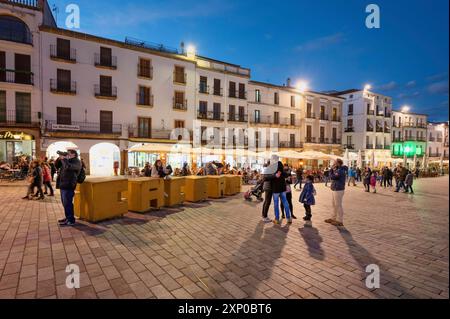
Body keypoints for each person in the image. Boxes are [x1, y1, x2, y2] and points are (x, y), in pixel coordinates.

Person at [57, 150, 81, 226]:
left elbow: (68, 167)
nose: (67, 154)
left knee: (68, 203)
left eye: (68, 153)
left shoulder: (76, 161)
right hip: (63, 184)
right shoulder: (67, 160)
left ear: (74, 154)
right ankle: (68, 217)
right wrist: (60, 158)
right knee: (65, 203)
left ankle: (71, 220)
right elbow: (56, 165)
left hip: (69, 185)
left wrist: (64, 159)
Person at [270, 155, 292, 225]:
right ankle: (289, 218)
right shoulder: (281, 166)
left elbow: (270, 177)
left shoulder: (272, 167)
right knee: (285, 202)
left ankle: (277, 219)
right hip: (282, 188)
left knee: (276, 204)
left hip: (276, 189)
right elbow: (286, 175)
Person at [325, 159, 346, 227]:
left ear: (338, 163)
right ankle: (333, 218)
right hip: (335, 189)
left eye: (335, 163)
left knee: (338, 205)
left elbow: (332, 177)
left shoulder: (340, 171)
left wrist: (331, 170)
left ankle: (340, 221)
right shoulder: (337, 170)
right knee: (334, 204)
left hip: (338, 189)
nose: (333, 164)